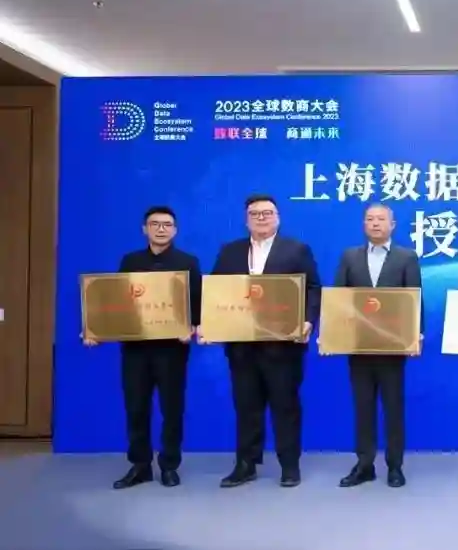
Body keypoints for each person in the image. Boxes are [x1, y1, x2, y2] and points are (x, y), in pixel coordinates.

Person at [201, 194, 321, 488]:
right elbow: (217, 291)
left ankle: (289, 466)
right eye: (255, 214)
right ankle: (246, 464)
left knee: (285, 406)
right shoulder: (230, 252)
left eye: (267, 213)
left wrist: (308, 320)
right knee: (246, 407)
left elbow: (313, 288)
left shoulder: (296, 250)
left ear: (278, 217)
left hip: (282, 346)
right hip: (242, 346)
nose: (262, 218)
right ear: (246, 220)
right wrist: (209, 324)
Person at [84, 206, 201, 489]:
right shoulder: (131, 261)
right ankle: (140, 465)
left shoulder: (187, 262)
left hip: (172, 349)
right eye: (155, 224)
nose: (161, 229)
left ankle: (169, 465)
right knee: (136, 407)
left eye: (167, 224)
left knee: (172, 409)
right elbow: (120, 302)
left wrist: (193, 327)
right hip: (136, 348)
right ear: (144, 229)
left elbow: (197, 303)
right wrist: (97, 330)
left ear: (175, 230)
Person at [335, 203, 422, 489]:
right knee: (363, 407)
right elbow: (339, 300)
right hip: (359, 345)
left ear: (392, 225)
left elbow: (414, 298)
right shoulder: (350, 257)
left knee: (393, 408)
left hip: (392, 347)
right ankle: (364, 465)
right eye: (370, 219)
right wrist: (334, 333)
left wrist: (416, 335)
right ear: (364, 225)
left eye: (381, 219)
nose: (375, 224)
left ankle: (395, 466)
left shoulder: (406, 257)